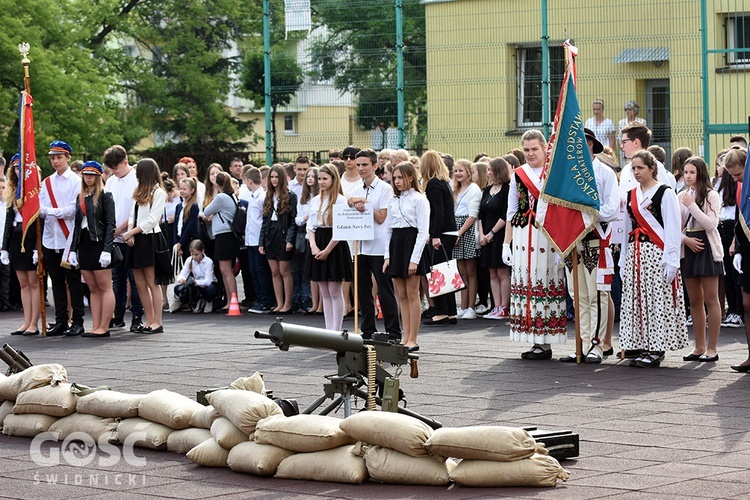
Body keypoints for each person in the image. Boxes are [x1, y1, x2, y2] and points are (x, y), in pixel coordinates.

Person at [502, 130, 567, 359]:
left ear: (544, 148)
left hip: (546, 235)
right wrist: (506, 243)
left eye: (534, 149)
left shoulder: (554, 174)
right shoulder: (518, 174)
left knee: (546, 282)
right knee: (527, 285)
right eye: (527, 150)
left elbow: (562, 211)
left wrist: (562, 244)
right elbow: (511, 210)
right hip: (521, 235)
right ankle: (536, 340)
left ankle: (546, 338)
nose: (530, 154)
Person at [619, 151, 688, 367]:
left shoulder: (664, 193)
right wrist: (623, 258)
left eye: (640, 168)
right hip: (636, 254)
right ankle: (641, 344)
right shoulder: (631, 195)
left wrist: (672, 260)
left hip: (656, 253)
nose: (636, 172)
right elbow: (626, 230)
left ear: (652, 168)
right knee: (639, 300)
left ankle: (656, 348)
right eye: (633, 168)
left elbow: (673, 229)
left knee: (656, 300)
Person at [558, 128, 620, 364]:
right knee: (578, 296)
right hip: (572, 240)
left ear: (591, 144)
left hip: (595, 236)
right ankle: (581, 344)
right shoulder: (565, 174)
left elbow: (612, 209)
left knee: (597, 294)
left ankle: (596, 345)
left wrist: (584, 214)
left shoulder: (604, 173)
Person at [348, 148, 401, 342]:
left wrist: (366, 204)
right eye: (358, 164)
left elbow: (381, 218)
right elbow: (347, 205)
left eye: (365, 165)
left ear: (375, 166)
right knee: (363, 291)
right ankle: (367, 330)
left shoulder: (385, 189)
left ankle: (394, 331)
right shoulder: (356, 189)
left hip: (379, 246)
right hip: (359, 246)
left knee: (385, 290)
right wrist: (353, 202)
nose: (361, 168)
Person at [678, 156, 724, 363]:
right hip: (689, 245)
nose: (687, 176)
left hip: (707, 246)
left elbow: (711, 225)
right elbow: (673, 228)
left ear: (701, 173)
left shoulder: (711, 195)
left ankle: (712, 348)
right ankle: (698, 346)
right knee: (694, 301)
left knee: (711, 299)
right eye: (685, 172)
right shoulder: (681, 195)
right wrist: (685, 240)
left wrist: (692, 205)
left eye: (691, 172)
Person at [39, 140, 85, 337]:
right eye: (52, 158)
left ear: (68, 158)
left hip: (69, 239)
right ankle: (60, 320)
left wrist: (49, 211)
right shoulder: (46, 182)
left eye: (59, 157)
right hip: (51, 238)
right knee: (56, 282)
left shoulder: (76, 181)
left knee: (73, 282)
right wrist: (46, 212)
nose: (55, 161)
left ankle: (77, 321)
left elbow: (73, 210)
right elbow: (39, 208)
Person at [383, 161, 430, 350]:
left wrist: (414, 259)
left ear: (411, 177)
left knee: (412, 294)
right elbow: (388, 230)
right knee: (400, 294)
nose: (397, 181)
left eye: (400, 177)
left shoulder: (419, 199)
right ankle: (404, 337)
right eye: (395, 178)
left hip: (412, 244)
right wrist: (387, 256)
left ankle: (413, 338)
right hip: (396, 244)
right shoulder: (393, 200)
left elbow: (423, 231)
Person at [68, 161, 116, 338]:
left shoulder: (105, 195)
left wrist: (107, 249)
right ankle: (95, 325)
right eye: (85, 175)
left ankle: (104, 326)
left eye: (92, 175)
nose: (88, 178)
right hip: (85, 244)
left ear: (98, 176)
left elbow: (111, 224)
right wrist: (73, 249)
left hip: (99, 243)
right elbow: (76, 226)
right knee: (92, 288)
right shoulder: (80, 197)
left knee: (104, 287)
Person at [121, 159, 166, 334]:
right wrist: (130, 230)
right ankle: (148, 319)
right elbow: (133, 214)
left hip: (150, 238)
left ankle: (158, 321)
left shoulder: (159, 192)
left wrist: (132, 233)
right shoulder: (138, 190)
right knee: (139, 283)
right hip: (137, 237)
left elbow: (153, 219)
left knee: (151, 281)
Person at [306, 164, 353, 331]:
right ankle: (328, 330)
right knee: (324, 291)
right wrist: (313, 246)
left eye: (325, 179)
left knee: (334, 290)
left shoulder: (340, 200)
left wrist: (327, 250)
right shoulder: (315, 200)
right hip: (318, 241)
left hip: (334, 245)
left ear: (334, 179)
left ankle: (336, 330)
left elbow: (341, 230)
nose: (321, 182)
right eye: (319, 179)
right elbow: (310, 227)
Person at [103, 145, 144, 333]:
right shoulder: (111, 181)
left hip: (131, 235)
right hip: (114, 237)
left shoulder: (136, 180)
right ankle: (117, 315)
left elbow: (137, 210)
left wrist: (122, 228)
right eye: (111, 168)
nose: (113, 171)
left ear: (125, 162)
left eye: (116, 167)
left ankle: (137, 315)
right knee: (117, 278)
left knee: (134, 278)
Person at [2, 155, 41, 336]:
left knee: (34, 283)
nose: (18, 171)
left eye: (22, 168)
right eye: (16, 168)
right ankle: (26, 321)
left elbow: (38, 221)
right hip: (16, 237)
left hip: (31, 237)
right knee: (23, 283)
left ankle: (34, 322)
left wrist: (36, 247)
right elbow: (9, 220)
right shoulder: (12, 189)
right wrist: (4, 246)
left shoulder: (34, 189)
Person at [421, 150, 458, 326]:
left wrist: (434, 235)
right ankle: (450, 311)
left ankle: (442, 311)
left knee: (438, 274)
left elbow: (438, 212)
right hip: (449, 232)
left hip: (441, 234)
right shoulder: (444, 183)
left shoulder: (433, 184)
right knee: (446, 272)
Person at [724, 147, 750, 372]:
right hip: (747, 250)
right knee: (746, 304)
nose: (735, 179)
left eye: (738, 174)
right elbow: (739, 221)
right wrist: (738, 247)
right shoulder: (742, 189)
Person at [259, 165, 298, 314]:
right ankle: (279, 303)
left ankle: (288, 304)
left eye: (277, 177)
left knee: (284, 271)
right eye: (272, 177)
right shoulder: (268, 195)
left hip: (283, 235)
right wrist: (261, 242)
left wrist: (289, 240)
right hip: (270, 235)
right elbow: (264, 220)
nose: (274, 180)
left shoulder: (291, 196)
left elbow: (293, 221)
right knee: (274, 271)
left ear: (282, 178)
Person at [478, 157, 511, 320]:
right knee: (491, 272)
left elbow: (506, 214)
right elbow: (480, 215)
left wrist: (491, 233)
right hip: (487, 235)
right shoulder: (486, 190)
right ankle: (496, 305)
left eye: (491, 170)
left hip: (500, 235)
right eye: (488, 170)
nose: (488, 173)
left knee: (502, 271)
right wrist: (482, 234)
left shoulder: (507, 189)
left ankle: (505, 306)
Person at [714, 151, 743, 328]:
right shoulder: (719, 185)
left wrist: (734, 241)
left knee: (736, 274)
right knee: (727, 274)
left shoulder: (738, 187)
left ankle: (738, 311)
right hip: (722, 228)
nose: (718, 168)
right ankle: (732, 309)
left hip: (734, 228)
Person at [203, 172, 240, 310]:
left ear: (217, 184)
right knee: (225, 269)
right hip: (228, 235)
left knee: (225, 269)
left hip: (224, 235)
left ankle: (232, 300)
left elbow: (206, 211)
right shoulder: (231, 196)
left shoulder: (221, 197)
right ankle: (230, 300)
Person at [451, 160, 482, 320]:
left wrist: (459, 233)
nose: (457, 173)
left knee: (470, 271)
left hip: (466, 229)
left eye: (460, 170)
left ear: (468, 172)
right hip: (456, 227)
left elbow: (473, 214)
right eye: (455, 171)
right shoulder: (455, 189)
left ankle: (471, 306)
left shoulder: (474, 189)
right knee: (461, 272)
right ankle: (462, 306)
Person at [243, 167, 275, 314]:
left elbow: (264, 219)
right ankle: (259, 298)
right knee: (254, 271)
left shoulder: (262, 197)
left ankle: (266, 300)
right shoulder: (253, 196)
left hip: (258, 240)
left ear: (249, 181)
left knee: (261, 271)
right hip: (251, 240)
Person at [296, 167, 322, 315]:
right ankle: (315, 303)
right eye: (309, 177)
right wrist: (306, 217)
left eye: (314, 176)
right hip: (308, 235)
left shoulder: (321, 197)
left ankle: (321, 305)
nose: (311, 179)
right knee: (312, 273)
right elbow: (298, 220)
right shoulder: (303, 198)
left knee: (321, 274)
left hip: (321, 235)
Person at [290, 156, 312, 313]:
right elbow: (296, 216)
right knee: (294, 267)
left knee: (306, 268)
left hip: (309, 232)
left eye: (306, 169)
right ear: (294, 169)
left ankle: (306, 298)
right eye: (300, 169)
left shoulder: (314, 189)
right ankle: (295, 298)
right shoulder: (291, 187)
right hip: (295, 230)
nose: (303, 173)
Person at [175, 239, 219, 313]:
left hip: (208, 285)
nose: (194, 257)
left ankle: (209, 300)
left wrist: (196, 282)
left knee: (211, 289)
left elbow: (208, 281)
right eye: (192, 254)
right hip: (197, 285)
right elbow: (183, 273)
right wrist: (182, 279)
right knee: (178, 289)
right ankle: (198, 300)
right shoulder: (189, 260)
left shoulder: (208, 262)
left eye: (196, 254)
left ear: (202, 251)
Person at [173, 178, 201, 259]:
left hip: (189, 241)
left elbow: (190, 227)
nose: (181, 191)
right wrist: (176, 244)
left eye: (184, 189)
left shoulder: (194, 206)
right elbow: (176, 226)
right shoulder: (178, 206)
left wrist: (180, 243)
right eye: (180, 189)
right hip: (180, 240)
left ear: (192, 190)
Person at [617, 100, 647, 166]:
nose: (627, 112)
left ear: (635, 110)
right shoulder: (621, 122)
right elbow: (619, 137)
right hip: (624, 151)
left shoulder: (641, 122)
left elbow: (642, 137)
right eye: (626, 109)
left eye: (630, 109)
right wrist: (623, 148)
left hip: (637, 150)